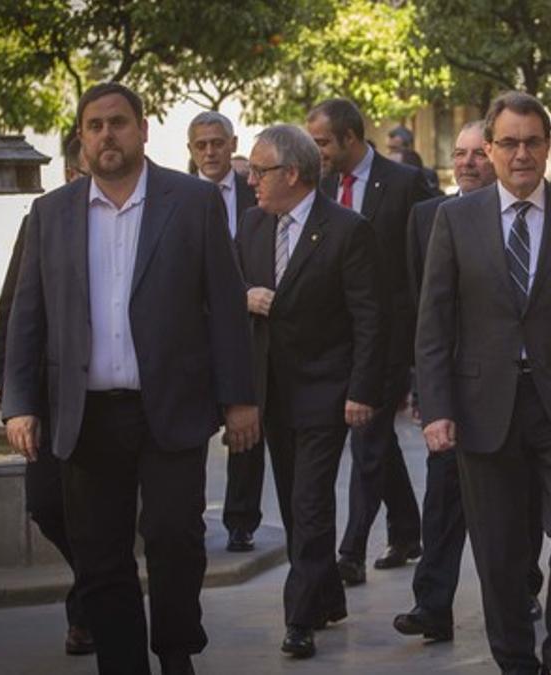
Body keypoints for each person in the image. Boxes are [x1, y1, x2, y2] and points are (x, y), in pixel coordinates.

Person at [2, 82, 259, 675]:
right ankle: (122, 663)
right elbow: (28, 314)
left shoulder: (191, 202)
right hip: (86, 412)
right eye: (94, 126)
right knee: (100, 554)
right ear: (82, 138)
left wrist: (240, 398)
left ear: (143, 130)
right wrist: (20, 402)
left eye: (118, 123)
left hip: (169, 406)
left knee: (174, 537)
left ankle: (176, 652)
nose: (106, 135)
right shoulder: (51, 213)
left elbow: (224, 304)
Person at [416, 91, 551, 675]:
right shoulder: (454, 219)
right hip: (486, 409)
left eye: (534, 141)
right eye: (509, 142)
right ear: (490, 149)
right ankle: (515, 664)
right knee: (500, 555)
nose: (522, 153)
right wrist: (436, 407)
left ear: (549, 147)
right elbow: (434, 321)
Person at [237, 124, 387, 659]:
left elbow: (370, 316)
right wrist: (245, 296)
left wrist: (362, 389)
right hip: (272, 391)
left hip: (325, 388)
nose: (251, 180)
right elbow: (228, 285)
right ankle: (327, 597)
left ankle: (298, 619)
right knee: (297, 507)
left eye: (260, 170)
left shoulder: (347, 229)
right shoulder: (253, 226)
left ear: (292, 174)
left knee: (311, 500)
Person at [395, 121, 544, 642]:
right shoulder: (427, 217)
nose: (465, 163)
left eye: (476, 153)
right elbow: (424, 310)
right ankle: (432, 603)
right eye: (457, 154)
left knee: (518, 500)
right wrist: (424, 388)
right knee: (442, 499)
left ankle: (522, 588)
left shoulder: (536, 219)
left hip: (513, 392)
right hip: (451, 391)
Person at [307, 98, 433, 584]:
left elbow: (421, 261)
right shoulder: (319, 184)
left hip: (388, 338)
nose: (316, 152)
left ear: (351, 138)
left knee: (367, 443)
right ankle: (406, 531)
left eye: (322, 143)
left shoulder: (403, 184)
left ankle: (351, 551)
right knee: (378, 442)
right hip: (337, 340)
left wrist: (418, 343)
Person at [0, 134, 94, 657]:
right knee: (46, 504)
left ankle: (88, 611)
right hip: (50, 392)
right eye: (77, 175)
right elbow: (16, 305)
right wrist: (6, 382)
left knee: (97, 507)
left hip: (105, 393)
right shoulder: (42, 220)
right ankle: (98, 583)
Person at [186, 110, 263, 552]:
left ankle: (241, 521)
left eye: (218, 142)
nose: (211, 151)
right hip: (195, 335)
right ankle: (190, 516)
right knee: (192, 430)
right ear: (192, 150)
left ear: (233, 144)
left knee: (246, 429)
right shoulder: (175, 196)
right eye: (202, 145)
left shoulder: (254, 195)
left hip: (250, 333)